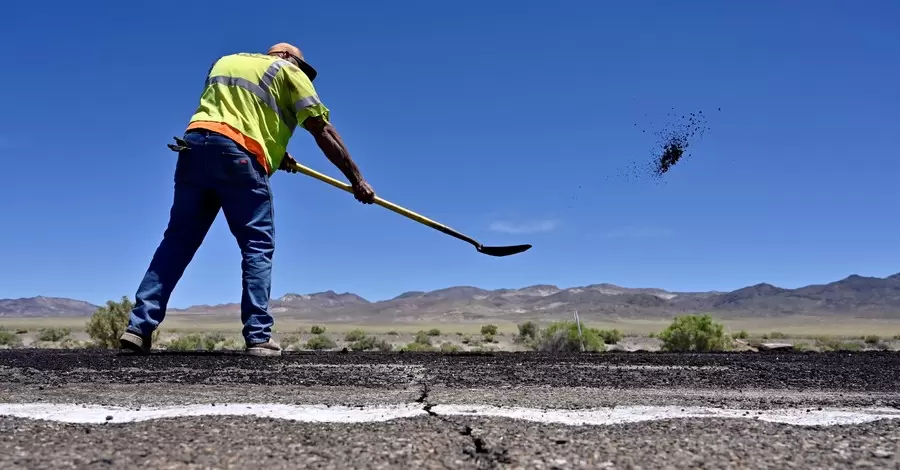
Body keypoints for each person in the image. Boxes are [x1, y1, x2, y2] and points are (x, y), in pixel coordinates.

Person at [120, 43, 375, 356]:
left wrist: (276, 152)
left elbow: (236, 116)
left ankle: (138, 328)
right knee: (257, 245)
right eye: (301, 66)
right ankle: (257, 336)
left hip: (194, 148)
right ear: (287, 58)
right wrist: (357, 180)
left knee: (177, 242)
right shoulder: (288, 71)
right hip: (239, 157)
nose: (302, 72)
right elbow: (322, 130)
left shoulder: (227, 61)